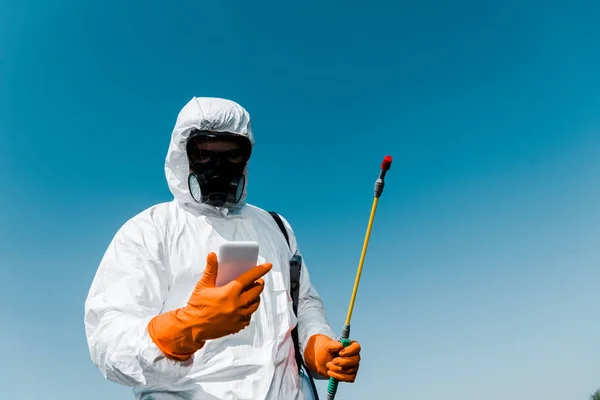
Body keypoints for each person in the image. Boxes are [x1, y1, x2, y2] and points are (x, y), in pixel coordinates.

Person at [84, 97, 362, 399]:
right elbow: (107, 338)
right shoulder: (149, 231)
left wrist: (318, 346)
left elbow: (303, 304)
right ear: (183, 154)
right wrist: (186, 327)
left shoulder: (276, 228)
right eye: (205, 154)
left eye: (232, 154)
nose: (219, 167)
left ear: (246, 158)